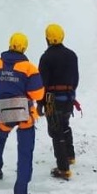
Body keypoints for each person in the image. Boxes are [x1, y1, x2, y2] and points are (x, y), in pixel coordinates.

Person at [0, 33, 44, 194]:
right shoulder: (29, 68)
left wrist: (0, 93)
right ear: (24, 47)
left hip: (4, 111)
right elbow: (37, 93)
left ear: (10, 45)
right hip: (25, 113)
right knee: (25, 153)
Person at [37, 23, 79, 179]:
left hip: (51, 99)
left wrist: (40, 103)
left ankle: (63, 169)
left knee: (56, 131)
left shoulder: (46, 57)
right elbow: (75, 79)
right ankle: (69, 155)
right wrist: (71, 93)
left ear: (47, 38)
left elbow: (42, 83)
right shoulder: (72, 55)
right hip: (68, 97)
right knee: (64, 125)